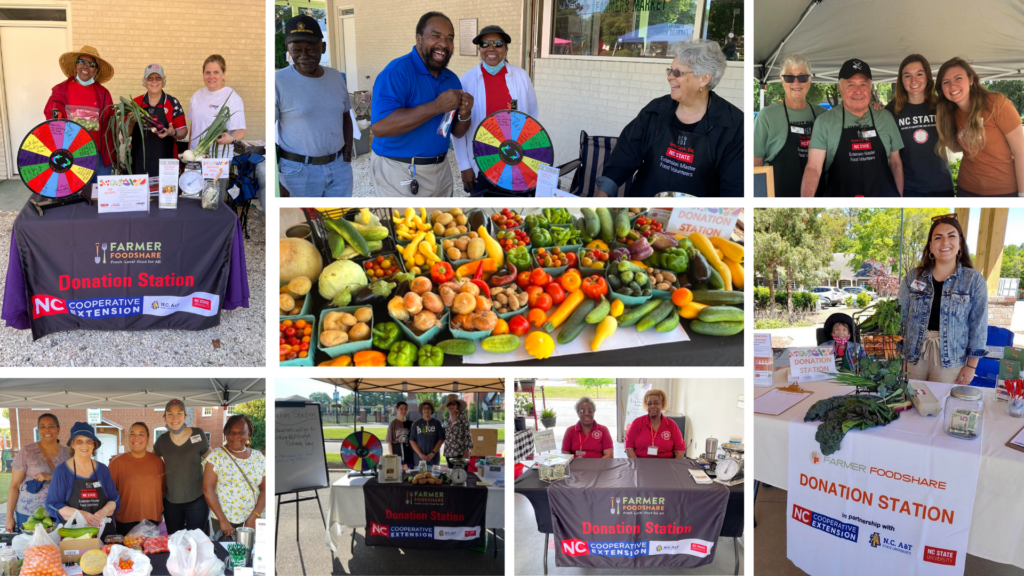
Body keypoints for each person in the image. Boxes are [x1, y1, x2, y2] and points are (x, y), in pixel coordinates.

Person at [597, 40, 743, 197]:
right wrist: (602, 193)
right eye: (670, 71)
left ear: (704, 79)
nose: (669, 77)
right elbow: (624, 156)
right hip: (643, 213)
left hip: (695, 217)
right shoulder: (655, 111)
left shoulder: (733, 125)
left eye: (678, 73)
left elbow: (735, 187)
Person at [370, 12, 474, 197]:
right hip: (400, 169)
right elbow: (380, 127)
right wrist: (436, 106)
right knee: (406, 224)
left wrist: (465, 113)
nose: (443, 44)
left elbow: (456, 132)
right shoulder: (397, 72)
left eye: (449, 38)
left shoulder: (451, 79)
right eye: (435, 36)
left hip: (441, 169)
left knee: (442, 224)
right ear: (419, 39)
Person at [898, 215, 987, 384]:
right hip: (913, 355)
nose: (945, 242)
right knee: (909, 402)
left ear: (960, 243)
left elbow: (979, 326)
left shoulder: (973, 280)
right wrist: (896, 353)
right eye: (938, 238)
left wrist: (971, 366)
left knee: (942, 404)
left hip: (951, 359)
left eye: (951, 236)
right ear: (931, 247)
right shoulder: (913, 277)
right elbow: (900, 317)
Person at [452, 25, 539, 196]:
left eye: (498, 43)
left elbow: (532, 117)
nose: (491, 48)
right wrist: (464, 165)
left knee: (513, 214)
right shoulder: (467, 80)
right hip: (482, 162)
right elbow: (459, 129)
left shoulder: (521, 76)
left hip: (516, 160)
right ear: (480, 49)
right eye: (485, 44)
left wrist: (531, 159)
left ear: (506, 49)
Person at [276, 15, 354, 197]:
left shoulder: (335, 77)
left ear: (323, 47)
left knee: (338, 218)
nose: (304, 56)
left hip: (339, 168)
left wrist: (347, 155)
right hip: (297, 172)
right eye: (296, 50)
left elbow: (345, 117)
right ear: (288, 49)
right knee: (302, 221)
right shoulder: (278, 82)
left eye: (311, 49)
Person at [802, 58, 904, 197]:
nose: (858, 91)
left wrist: (899, 198)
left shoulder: (885, 117)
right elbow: (813, 168)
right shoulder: (824, 122)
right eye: (851, 85)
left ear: (870, 88)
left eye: (863, 84)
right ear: (840, 88)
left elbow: (896, 163)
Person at [934, 57, 1024, 197]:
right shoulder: (951, 113)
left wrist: (1022, 194)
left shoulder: (995, 103)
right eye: (946, 82)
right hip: (967, 188)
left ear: (971, 80)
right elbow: (957, 147)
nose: (952, 86)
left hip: (1003, 190)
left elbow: (1020, 151)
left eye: (958, 78)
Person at [882, 55, 954, 197]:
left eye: (919, 74)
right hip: (909, 188)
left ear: (927, 77)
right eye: (907, 76)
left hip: (942, 186)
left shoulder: (941, 106)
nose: (914, 81)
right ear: (901, 80)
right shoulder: (891, 111)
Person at [753, 54, 823, 196]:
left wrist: (870, 107)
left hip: (817, 194)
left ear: (810, 79)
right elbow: (755, 164)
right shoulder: (766, 116)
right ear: (782, 80)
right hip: (777, 195)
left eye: (802, 77)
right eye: (789, 77)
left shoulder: (824, 115)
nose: (796, 83)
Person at [43, 46, 114, 185]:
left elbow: (111, 122)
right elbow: (51, 119)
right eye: (81, 61)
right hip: (70, 153)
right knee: (75, 195)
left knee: (101, 194)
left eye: (91, 64)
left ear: (96, 70)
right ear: (75, 65)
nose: (85, 66)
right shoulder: (60, 91)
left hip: (98, 152)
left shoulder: (103, 93)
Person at [46, 423, 119, 539]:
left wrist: (104, 511)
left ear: (94, 445)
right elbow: (53, 504)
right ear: (72, 445)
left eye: (89, 441)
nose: (84, 445)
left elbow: (114, 498)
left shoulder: (103, 470)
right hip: (73, 535)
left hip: (104, 533)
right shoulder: (62, 471)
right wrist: (82, 515)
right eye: (79, 441)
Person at [203, 415, 266, 540]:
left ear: (249, 434)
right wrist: (223, 520)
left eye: (241, 432)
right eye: (231, 432)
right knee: (227, 556)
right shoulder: (216, 456)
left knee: (249, 555)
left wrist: (255, 516)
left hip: (251, 519)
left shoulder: (258, 457)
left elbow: (265, 489)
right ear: (225, 434)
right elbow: (207, 489)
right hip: (225, 522)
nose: (236, 436)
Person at [153, 399, 211, 534]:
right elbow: (149, 461)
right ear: (164, 417)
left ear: (185, 416)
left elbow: (212, 460)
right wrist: (126, 457)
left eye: (179, 414)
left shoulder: (198, 434)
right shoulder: (162, 441)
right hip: (171, 501)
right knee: (175, 542)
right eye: (170, 414)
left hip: (197, 499)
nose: (175, 418)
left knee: (196, 540)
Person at [5, 414, 69, 532]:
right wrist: (9, 516)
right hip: (28, 513)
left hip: (59, 512)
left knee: (55, 549)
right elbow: (14, 485)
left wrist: (51, 476)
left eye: (51, 426)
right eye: (42, 426)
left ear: (58, 429)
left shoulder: (68, 453)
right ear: (38, 429)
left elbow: (74, 480)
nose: (47, 430)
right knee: (30, 549)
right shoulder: (27, 451)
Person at [131, 64, 187, 180]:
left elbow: (183, 132)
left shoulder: (173, 103)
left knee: (166, 198)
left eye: (158, 78)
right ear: (144, 81)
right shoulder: (135, 103)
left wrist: (174, 133)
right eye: (150, 78)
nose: (154, 81)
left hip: (167, 163)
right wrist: (131, 122)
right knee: (140, 198)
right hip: (140, 163)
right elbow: (126, 133)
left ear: (163, 81)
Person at [108, 423, 165, 536]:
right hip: (125, 521)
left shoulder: (158, 462)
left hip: (151, 521)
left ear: (148, 439)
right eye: (132, 434)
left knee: (150, 553)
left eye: (141, 434)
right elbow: (109, 494)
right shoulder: (117, 462)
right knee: (126, 553)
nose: (136, 438)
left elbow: (162, 491)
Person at [187, 55, 246, 160]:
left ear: (224, 73)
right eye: (208, 72)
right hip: (195, 156)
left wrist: (231, 138)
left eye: (216, 72)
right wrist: (190, 152)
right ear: (203, 74)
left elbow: (241, 130)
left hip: (218, 159)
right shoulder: (197, 95)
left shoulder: (232, 98)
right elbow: (194, 127)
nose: (211, 76)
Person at [625, 389, 685, 459]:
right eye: (649, 404)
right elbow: (628, 447)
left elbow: (680, 450)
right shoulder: (637, 423)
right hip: (641, 464)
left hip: (666, 465)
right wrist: (636, 466)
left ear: (662, 405)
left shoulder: (671, 424)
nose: (652, 406)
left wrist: (674, 469)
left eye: (656, 403)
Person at [409, 400, 445, 467]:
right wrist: (420, 454)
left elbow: (441, 439)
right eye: (424, 408)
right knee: (420, 477)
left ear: (431, 410)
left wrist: (433, 453)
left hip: (434, 459)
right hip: (419, 459)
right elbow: (412, 440)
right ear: (421, 410)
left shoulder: (437, 423)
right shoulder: (416, 424)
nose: (426, 410)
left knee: (434, 477)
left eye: (428, 408)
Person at [441, 394, 473, 461]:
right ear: (447, 406)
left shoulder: (462, 416)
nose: (451, 406)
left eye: (453, 404)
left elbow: (468, 434)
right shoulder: (446, 419)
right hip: (449, 452)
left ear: (457, 405)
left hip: (461, 452)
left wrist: (467, 451)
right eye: (449, 404)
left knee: (461, 471)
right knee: (451, 471)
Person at [385, 401, 415, 469]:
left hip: (408, 452)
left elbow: (412, 439)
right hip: (397, 452)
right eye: (401, 409)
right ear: (397, 409)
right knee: (398, 474)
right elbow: (389, 441)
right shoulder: (393, 423)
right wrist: (392, 457)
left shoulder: (410, 424)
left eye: (405, 409)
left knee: (408, 474)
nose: (403, 411)